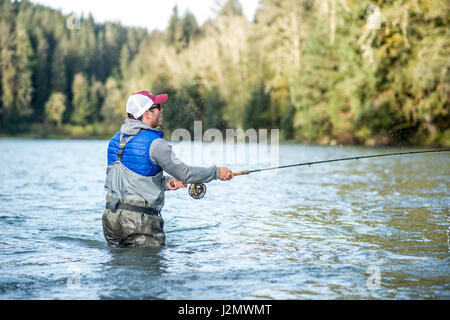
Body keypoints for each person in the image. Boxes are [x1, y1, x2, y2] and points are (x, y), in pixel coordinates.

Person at [102, 91, 233, 248]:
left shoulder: (115, 140)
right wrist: (217, 172)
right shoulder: (156, 144)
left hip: (111, 219)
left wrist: (166, 184)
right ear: (147, 113)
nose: (162, 110)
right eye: (158, 107)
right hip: (139, 223)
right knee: (148, 270)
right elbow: (186, 173)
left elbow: (129, 180)